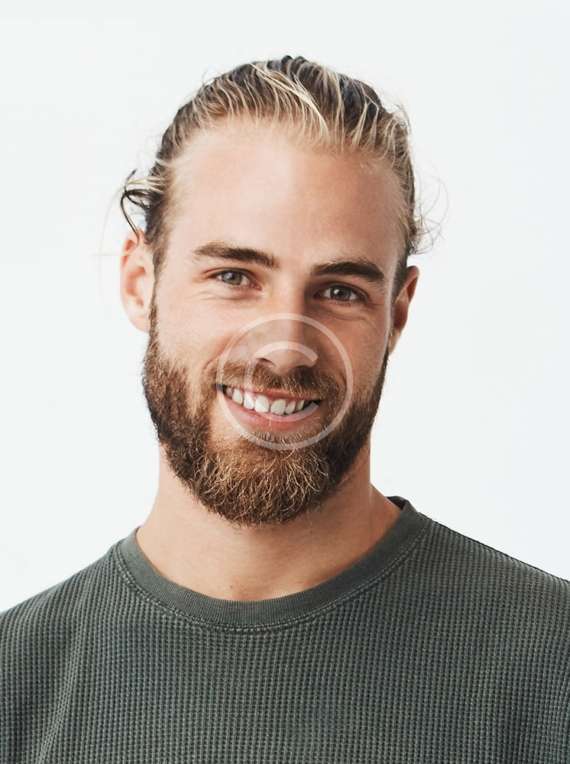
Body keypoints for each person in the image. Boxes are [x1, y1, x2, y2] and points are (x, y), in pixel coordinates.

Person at [1, 55, 568, 763]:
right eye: (234, 276)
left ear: (397, 313)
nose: (285, 348)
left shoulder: (551, 668)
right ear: (140, 282)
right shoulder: (16, 687)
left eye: (340, 291)